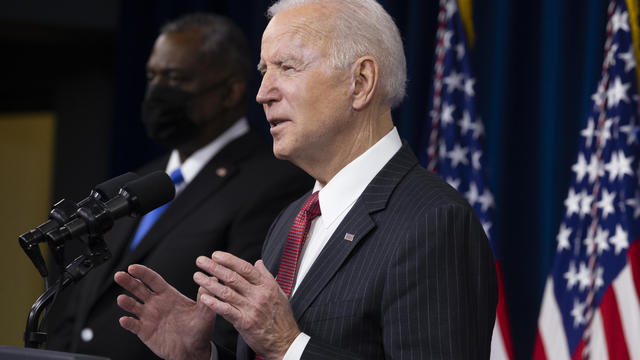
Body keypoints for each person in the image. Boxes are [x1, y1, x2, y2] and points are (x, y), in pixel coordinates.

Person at [114, 1, 498, 359]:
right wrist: (205, 356)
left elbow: (283, 346)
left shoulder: (433, 222)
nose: (264, 94)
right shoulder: (292, 220)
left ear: (361, 82)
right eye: (265, 72)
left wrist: (288, 345)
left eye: (287, 67)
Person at [46, 13, 312, 360]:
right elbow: (82, 304)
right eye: (153, 77)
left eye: (175, 78)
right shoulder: (138, 182)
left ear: (230, 91)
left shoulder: (273, 180)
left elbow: (233, 324)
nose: (158, 91)